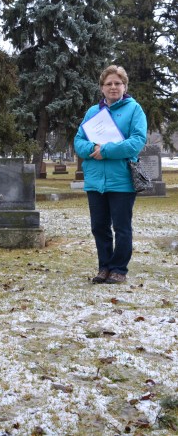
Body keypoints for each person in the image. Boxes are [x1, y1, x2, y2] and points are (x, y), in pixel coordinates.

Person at [74, 65, 147, 284]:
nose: (113, 87)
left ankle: (119, 269)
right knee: (99, 227)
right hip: (95, 181)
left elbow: (136, 142)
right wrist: (91, 150)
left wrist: (104, 151)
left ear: (124, 86)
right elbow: (79, 141)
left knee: (122, 228)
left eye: (117, 83)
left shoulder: (134, 110)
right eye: (109, 84)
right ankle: (104, 267)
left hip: (122, 180)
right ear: (102, 88)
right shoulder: (92, 112)